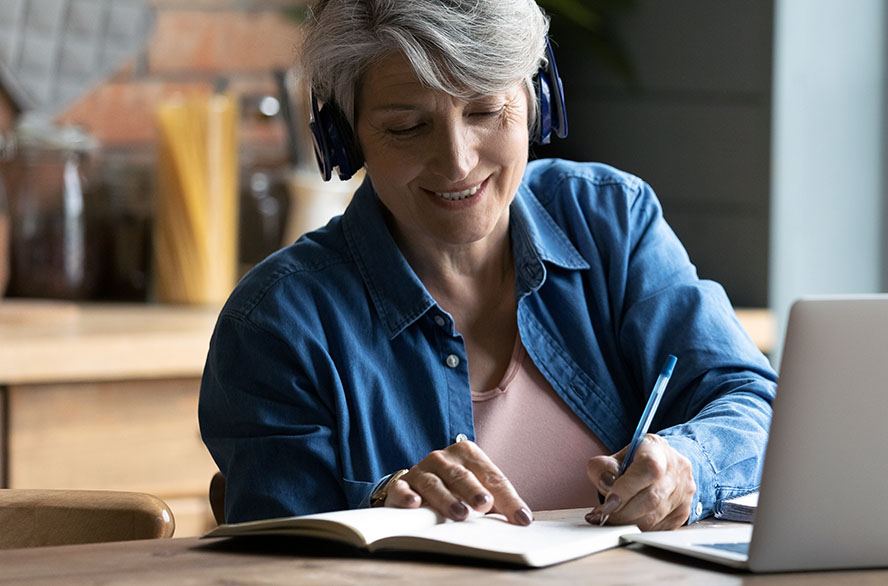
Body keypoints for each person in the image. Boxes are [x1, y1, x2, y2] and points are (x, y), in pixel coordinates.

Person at [198, 0, 775, 532]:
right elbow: (276, 558)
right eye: (407, 127)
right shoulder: (277, 324)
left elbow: (751, 401)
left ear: (535, 101)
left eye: (486, 110)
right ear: (345, 138)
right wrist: (383, 503)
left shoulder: (610, 220)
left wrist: (689, 462)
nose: (457, 162)